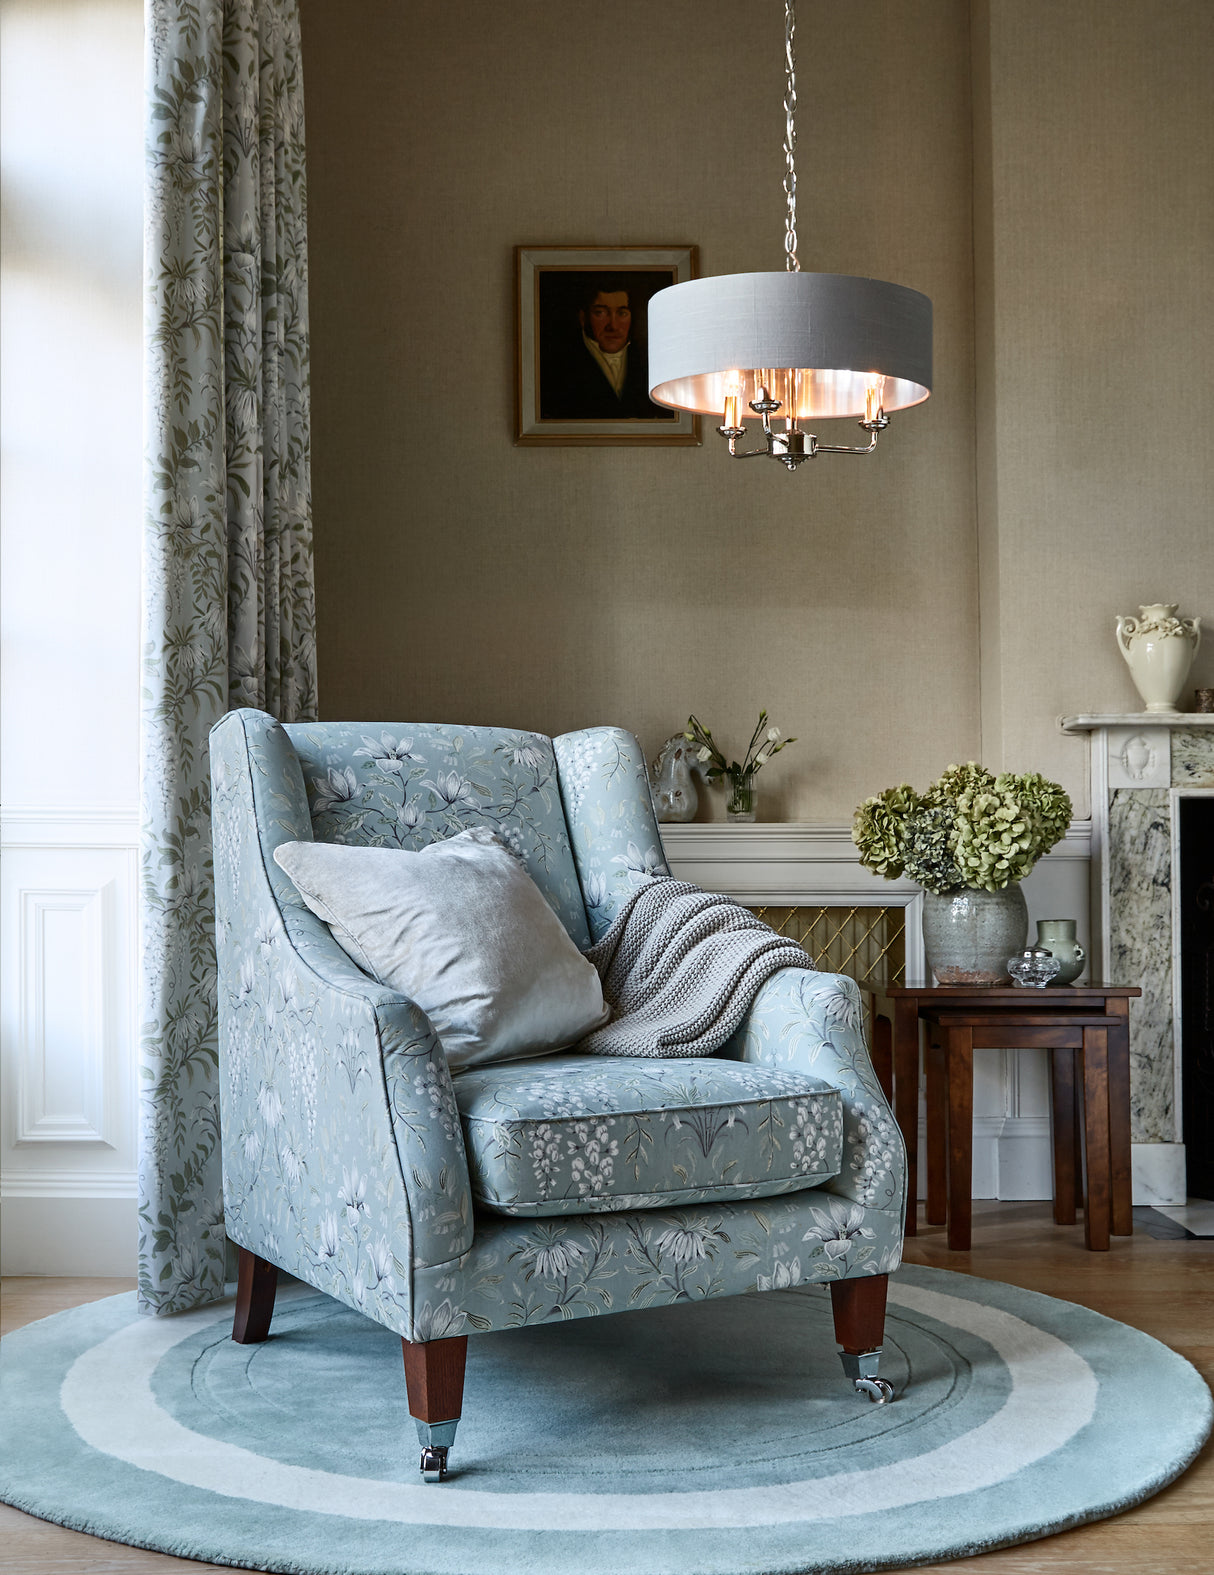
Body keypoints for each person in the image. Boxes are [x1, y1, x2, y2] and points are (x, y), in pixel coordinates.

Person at [539, 276, 674, 420]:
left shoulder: (649, 362)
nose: (613, 326)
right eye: (600, 313)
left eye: (622, 313)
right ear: (583, 318)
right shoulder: (557, 367)